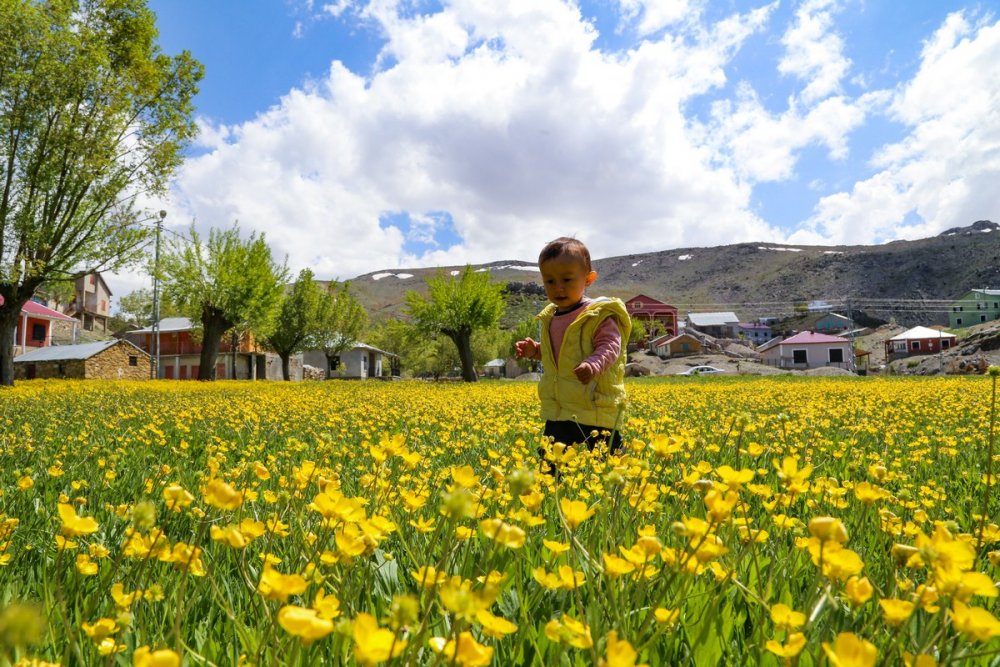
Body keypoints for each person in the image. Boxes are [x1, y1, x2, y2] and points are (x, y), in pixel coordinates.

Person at [515, 237, 632, 469]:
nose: (559, 287)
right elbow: (558, 355)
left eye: (567, 279)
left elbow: (610, 345)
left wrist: (593, 365)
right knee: (551, 466)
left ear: (588, 279)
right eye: (550, 281)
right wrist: (536, 350)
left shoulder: (598, 314)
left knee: (610, 468)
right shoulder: (551, 317)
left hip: (595, 407)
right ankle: (548, 499)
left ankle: (619, 500)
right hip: (561, 409)